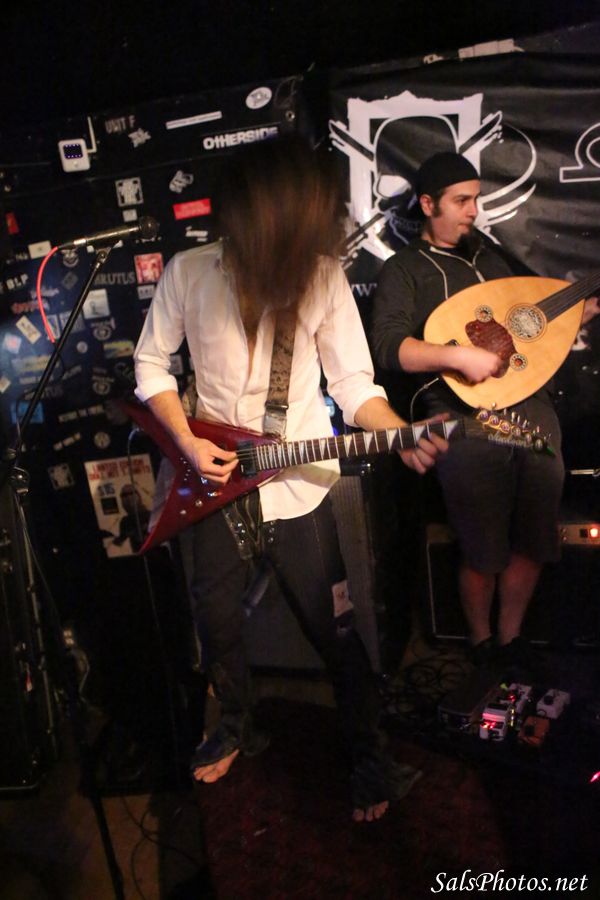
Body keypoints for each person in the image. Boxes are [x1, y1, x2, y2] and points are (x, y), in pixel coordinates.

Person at [133, 135, 447, 823]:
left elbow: (353, 383)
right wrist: (186, 442)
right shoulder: (188, 272)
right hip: (211, 482)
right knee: (216, 621)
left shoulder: (322, 277)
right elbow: (151, 364)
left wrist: (400, 435)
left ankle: (368, 755)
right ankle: (237, 723)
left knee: (335, 628)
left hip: (298, 486)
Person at [371, 151, 566, 671]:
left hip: (528, 404)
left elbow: (532, 331)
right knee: (482, 543)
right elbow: (388, 346)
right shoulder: (405, 270)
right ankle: (482, 643)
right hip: (459, 410)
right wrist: (456, 356)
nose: (473, 211)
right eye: (461, 201)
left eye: (476, 200)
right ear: (427, 204)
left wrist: (579, 312)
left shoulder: (492, 261)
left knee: (535, 531)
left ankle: (511, 637)